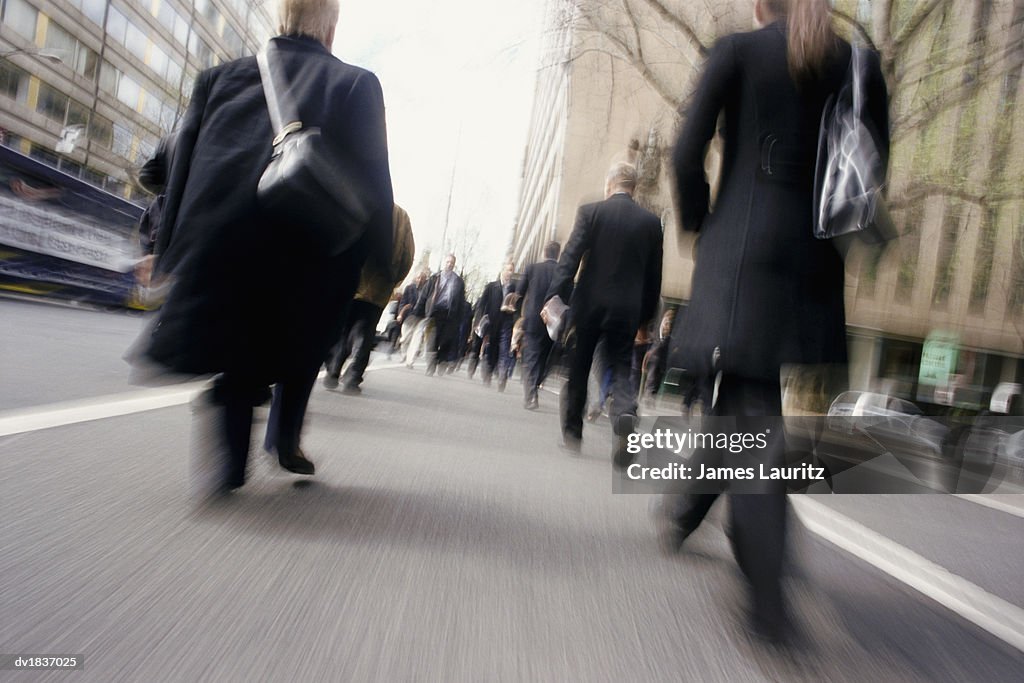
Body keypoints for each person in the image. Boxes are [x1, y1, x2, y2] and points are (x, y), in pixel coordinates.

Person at [660, 0, 890, 642]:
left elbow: (684, 153)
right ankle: (685, 513)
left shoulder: (738, 52)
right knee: (751, 409)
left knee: (752, 417)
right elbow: (872, 172)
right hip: (814, 265)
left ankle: (768, 602)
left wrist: (699, 218)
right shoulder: (860, 66)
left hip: (742, 256)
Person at [134, 0, 393, 492]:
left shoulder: (217, 79)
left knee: (237, 351)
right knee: (300, 342)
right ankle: (285, 437)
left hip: (224, 241)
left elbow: (182, 169)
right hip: (310, 250)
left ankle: (228, 463)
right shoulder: (356, 84)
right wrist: (378, 261)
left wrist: (167, 249)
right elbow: (375, 184)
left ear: (279, 19)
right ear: (331, 27)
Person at [545, 161, 663, 463]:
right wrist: (646, 320)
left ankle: (573, 433)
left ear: (610, 184)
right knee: (622, 370)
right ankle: (624, 426)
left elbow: (570, 258)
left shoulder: (592, 212)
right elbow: (653, 278)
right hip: (627, 310)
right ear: (633, 187)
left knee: (580, 367)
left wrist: (555, 297)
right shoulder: (651, 223)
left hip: (589, 305)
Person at [324, 203, 414, 393]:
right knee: (364, 331)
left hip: (352, 278)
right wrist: (394, 280)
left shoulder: (366, 202)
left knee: (343, 327)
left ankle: (333, 369)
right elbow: (408, 255)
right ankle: (353, 376)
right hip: (379, 286)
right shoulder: (402, 217)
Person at [516, 241, 560, 410]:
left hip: (533, 319)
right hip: (554, 322)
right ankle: (536, 385)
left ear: (544, 252)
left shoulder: (532, 268)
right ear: (558, 254)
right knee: (545, 358)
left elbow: (519, 292)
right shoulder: (563, 271)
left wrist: (519, 317)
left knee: (532, 357)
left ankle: (530, 395)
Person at [417, 253, 465, 376]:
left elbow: (461, 302)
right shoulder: (434, 278)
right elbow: (424, 296)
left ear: (454, 265)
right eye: (448, 262)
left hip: (449, 316)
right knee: (432, 340)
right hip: (434, 313)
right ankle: (430, 366)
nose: (449, 265)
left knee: (445, 341)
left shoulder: (458, 282)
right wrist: (417, 312)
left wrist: (459, 319)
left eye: (452, 263)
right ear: (444, 262)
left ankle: (442, 360)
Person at [475, 262, 516, 390]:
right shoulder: (492, 286)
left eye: (512, 270)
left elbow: (518, 306)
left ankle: (502, 378)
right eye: (508, 270)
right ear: (502, 270)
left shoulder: (515, 288)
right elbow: (482, 304)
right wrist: (479, 321)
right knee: (492, 350)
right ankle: (488, 374)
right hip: (492, 323)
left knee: (504, 351)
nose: (509, 272)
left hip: (506, 323)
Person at [398, 270, 428, 366]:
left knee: (417, 339)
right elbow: (403, 302)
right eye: (419, 278)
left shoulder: (427, 290)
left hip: (421, 317)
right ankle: (404, 354)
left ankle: (410, 361)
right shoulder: (409, 288)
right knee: (406, 338)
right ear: (416, 278)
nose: (420, 280)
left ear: (425, 280)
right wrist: (400, 314)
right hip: (409, 316)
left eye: (422, 278)